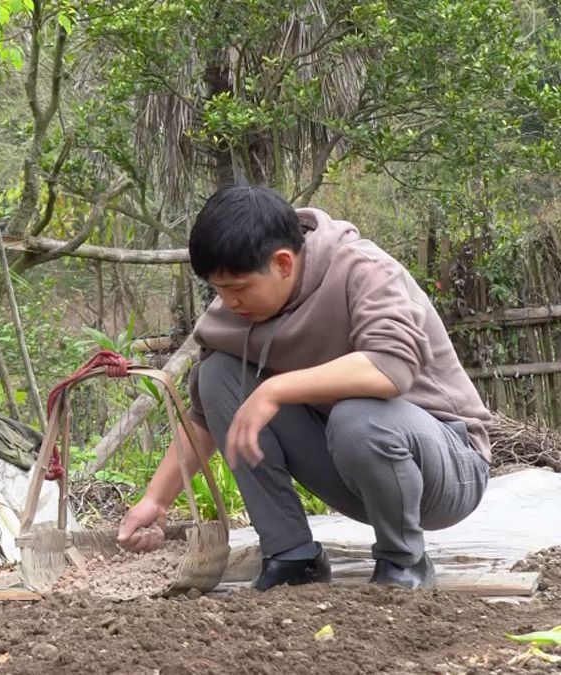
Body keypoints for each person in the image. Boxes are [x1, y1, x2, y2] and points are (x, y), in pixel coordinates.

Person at [118, 185, 492, 591]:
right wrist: (156, 501)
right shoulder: (232, 311)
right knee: (217, 374)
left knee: (358, 415)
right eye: (218, 289)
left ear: (282, 264)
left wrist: (274, 390)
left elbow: (391, 368)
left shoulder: (363, 269)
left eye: (238, 288)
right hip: (354, 469)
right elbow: (205, 419)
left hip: (447, 468)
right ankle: (292, 556)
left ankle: (403, 562)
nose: (228, 302)